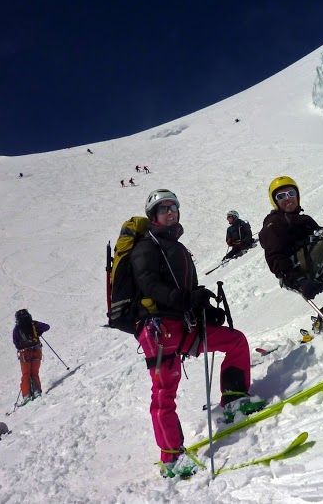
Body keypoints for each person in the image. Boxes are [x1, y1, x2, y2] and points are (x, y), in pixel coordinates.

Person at [131, 189, 263, 478]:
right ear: (153, 215)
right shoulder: (146, 247)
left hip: (183, 325)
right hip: (157, 328)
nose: (170, 212)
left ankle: (235, 399)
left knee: (235, 340)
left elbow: (184, 291)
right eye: (163, 208)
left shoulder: (175, 247)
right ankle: (171, 458)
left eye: (173, 207)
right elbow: (149, 284)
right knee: (164, 391)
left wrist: (200, 306)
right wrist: (182, 299)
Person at [13, 309, 50, 404]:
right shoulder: (33, 324)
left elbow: (16, 343)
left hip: (24, 354)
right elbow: (46, 327)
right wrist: (38, 333)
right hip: (36, 351)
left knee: (26, 374)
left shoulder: (17, 329)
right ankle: (37, 391)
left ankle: (26, 395)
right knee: (34, 373)